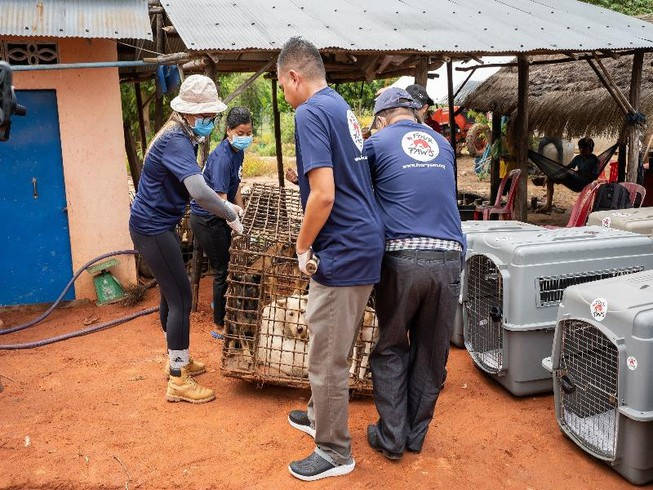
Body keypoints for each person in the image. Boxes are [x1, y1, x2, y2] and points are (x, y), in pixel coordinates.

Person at [277, 37, 384, 481]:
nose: (285, 95)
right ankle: (317, 414)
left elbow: (323, 195)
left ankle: (335, 450)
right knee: (329, 341)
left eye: (282, 86)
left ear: (293, 77)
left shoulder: (309, 113)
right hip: (361, 239)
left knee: (326, 357)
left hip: (343, 248)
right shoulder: (339, 106)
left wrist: (302, 246)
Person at [129, 75, 243, 404]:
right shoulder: (176, 140)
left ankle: (177, 358)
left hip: (159, 225)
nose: (210, 121)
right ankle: (178, 379)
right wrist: (228, 212)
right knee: (181, 297)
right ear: (189, 113)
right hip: (152, 227)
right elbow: (198, 191)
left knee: (172, 292)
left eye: (212, 116)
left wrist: (226, 206)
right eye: (206, 116)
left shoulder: (182, 134)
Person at [363, 87, 464, 460]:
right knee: (431, 353)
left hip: (402, 258)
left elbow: (361, 195)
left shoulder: (376, 143)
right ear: (414, 113)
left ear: (383, 117)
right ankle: (414, 437)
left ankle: (391, 437)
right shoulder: (444, 145)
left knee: (391, 346)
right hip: (450, 258)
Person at [190, 107, 252, 329]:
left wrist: (242, 210)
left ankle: (224, 305)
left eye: (248, 133)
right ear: (229, 131)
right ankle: (220, 323)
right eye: (240, 133)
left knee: (229, 264)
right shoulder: (222, 158)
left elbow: (235, 186)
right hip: (207, 218)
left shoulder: (238, 152)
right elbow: (221, 201)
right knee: (222, 268)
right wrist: (235, 221)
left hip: (221, 214)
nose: (245, 137)